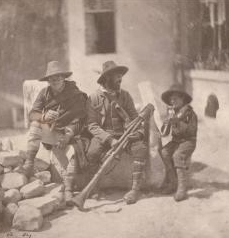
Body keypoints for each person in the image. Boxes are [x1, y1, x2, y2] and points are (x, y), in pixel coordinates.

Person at [18, 61, 87, 205]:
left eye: (58, 77)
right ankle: (29, 163)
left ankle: (68, 189)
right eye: (52, 78)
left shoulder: (75, 94)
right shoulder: (45, 93)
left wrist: (68, 135)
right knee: (36, 124)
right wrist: (44, 116)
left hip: (70, 133)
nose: (55, 81)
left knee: (74, 151)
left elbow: (81, 119)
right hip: (51, 131)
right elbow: (32, 114)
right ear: (48, 80)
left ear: (64, 78)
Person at [86, 60, 149, 205]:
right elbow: (92, 125)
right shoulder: (94, 97)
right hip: (103, 134)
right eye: (116, 76)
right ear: (106, 78)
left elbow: (135, 118)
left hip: (125, 134)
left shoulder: (125, 96)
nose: (120, 79)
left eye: (121, 75)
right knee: (92, 152)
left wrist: (138, 134)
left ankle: (134, 190)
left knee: (140, 149)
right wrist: (109, 140)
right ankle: (94, 188)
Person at [160, 83, 198, 201]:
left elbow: (190, 131)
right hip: (176, 141)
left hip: (188, 141)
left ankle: (182, 189)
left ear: (183, 99)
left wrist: (176, 122)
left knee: (177, 155)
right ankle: (173, 183)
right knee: (165, 152)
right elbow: (165, 133)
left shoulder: (189, 113)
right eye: (171, 98)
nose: (173, 100)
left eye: (176, 98)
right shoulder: (172, 112)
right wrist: (167, 122)